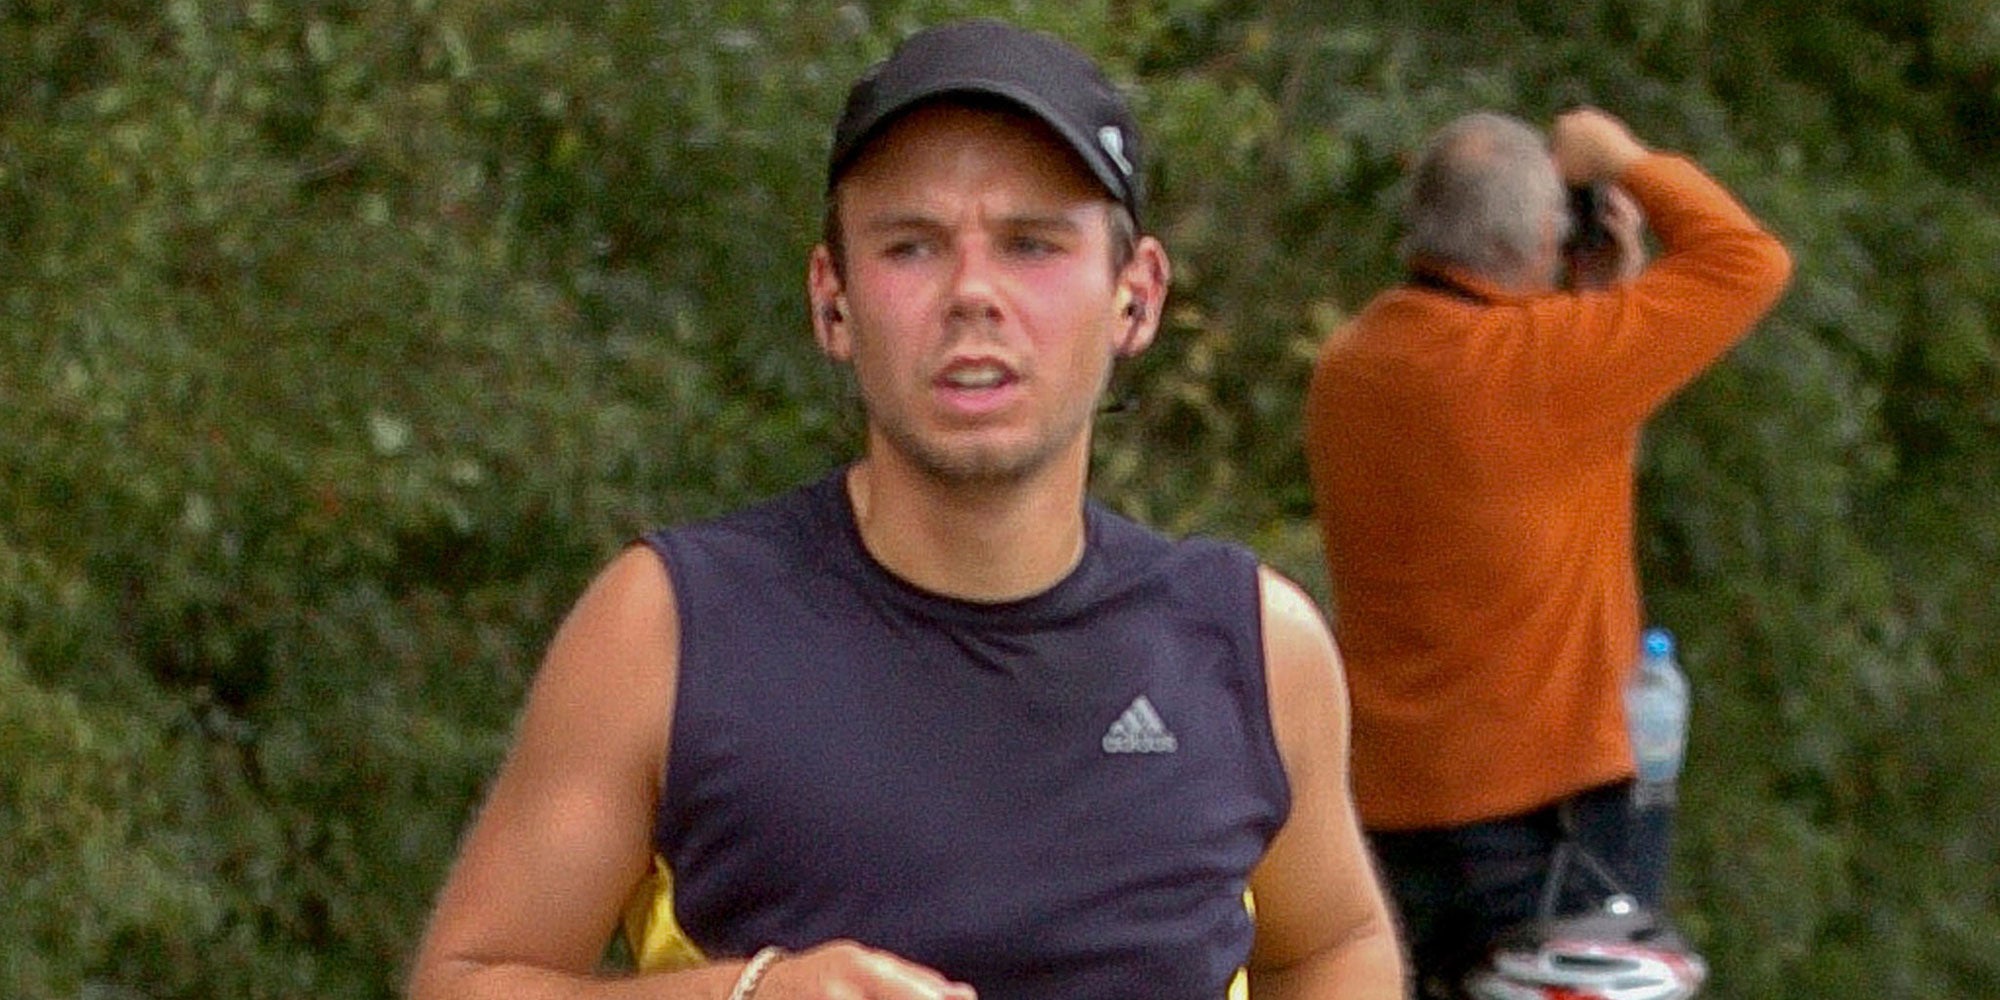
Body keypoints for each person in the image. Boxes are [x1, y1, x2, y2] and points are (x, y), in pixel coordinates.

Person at [409, 19, 1404, 1000]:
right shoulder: (668, 626)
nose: (973, 293)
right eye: (912, 246)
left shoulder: (1251, 647)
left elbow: (1332, 944)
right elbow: (462, 981)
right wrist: (752, 996)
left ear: (1133, 297)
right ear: (831, 301)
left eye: (1030, 244)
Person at [1302, 108, 1792, 998]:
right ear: (1542, 232)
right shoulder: (1551, 367)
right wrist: (1626, 157)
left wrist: (1591, 299)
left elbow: (1541, 461)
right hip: (1553, 824)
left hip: (1388, 815)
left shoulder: (1353, 365)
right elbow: (1749, 261)